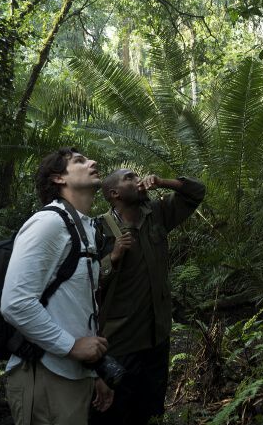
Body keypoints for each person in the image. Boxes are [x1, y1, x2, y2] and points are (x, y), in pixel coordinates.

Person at [1, 148, 115, 424]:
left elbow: (74, 307)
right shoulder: (49, 223)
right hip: (45, 374)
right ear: (58, 178)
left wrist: (93, 371)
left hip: (73, 373)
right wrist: (71, 347)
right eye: (79, 161)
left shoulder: (84, 228)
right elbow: (15, 303)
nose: (93, 162)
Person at [91, 169, 205, 425]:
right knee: (115, 414)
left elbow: (196, 192)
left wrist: (163, 182)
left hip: (157, 337)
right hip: (120, 342)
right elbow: (85, 282)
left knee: (152, 410)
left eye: (137, 176)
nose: (138, 180)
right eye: (129, 178)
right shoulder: (98, 229)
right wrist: (113, 258)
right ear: (114, 193)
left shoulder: (157, 214)